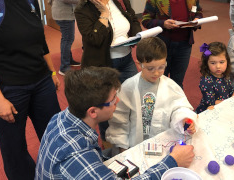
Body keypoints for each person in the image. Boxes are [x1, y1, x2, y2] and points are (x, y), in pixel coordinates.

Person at [35, 67, 195, 179]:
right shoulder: (76, 155)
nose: (118, 100)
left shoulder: (62, 117)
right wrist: (172, 162)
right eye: (112, 100)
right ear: (93, 111)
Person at [0, 0, 61, 179]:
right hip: (7, 88)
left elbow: (40, 41)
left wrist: (51, 71)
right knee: (15, 149)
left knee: (55, 135)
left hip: (41, 80)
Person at [106, 37, 197, 153]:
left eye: (161, 67)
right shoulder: (128, 88)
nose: (156, 73)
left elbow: (179, 107)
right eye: (150, 68)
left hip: (162, 143)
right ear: (139, 65)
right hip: (135, 145)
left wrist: (183, 119)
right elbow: (119, 120)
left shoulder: (170, 86)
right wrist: (123, 147)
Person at [74, 0, 142, 142]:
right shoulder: (83, 9)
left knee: (135, 96)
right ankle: (108, 142)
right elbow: (95, 39)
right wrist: (104, 14)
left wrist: (137, 36)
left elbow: (133, 18)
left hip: (126, 58)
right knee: (104, 106)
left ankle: (132, 135)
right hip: (102, 64)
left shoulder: (120, 1)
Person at [142, 0, 203, 88]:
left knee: (178, 82)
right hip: (162, 47)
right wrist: (163, 23)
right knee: (160, 81)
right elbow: (146, 20)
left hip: (184, 45)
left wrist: (197, 19)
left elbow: (198, 12)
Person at [196, 42, 234, 113]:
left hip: (223, 107)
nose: (218, 66)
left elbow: (229, 91)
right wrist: (228, 103)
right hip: (209, 111)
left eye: (222, 62)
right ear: (206, 63)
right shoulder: (206, 81)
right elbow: (210, 102)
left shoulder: (225, 76)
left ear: (227, 61)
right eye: (213, 63)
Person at [49, 0, 81, 76]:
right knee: (67, 40)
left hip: (64, 14)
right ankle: (64, 67)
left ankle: (68, 60)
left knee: (67, 39)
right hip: (64, 15)